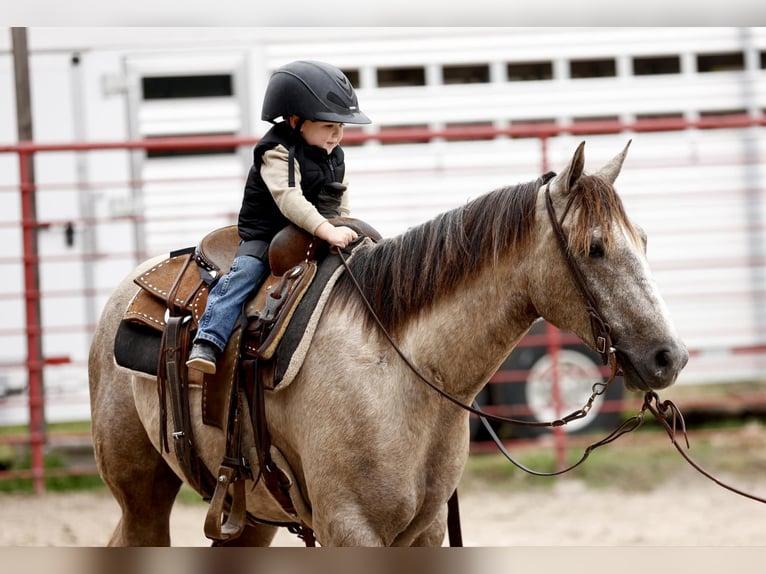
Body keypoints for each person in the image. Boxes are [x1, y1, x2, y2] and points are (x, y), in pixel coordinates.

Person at [186, 60, 371, 374]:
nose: (337, 134)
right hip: (266, 233)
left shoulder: (334, 154)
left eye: (341, 127)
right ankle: (209, 338)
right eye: (328, 125)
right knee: (244, 274)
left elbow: (341, 196)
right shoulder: (277, 151)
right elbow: (289, 199)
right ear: (296, 120)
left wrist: (344, 225)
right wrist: (327, 229)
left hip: (312, 233)